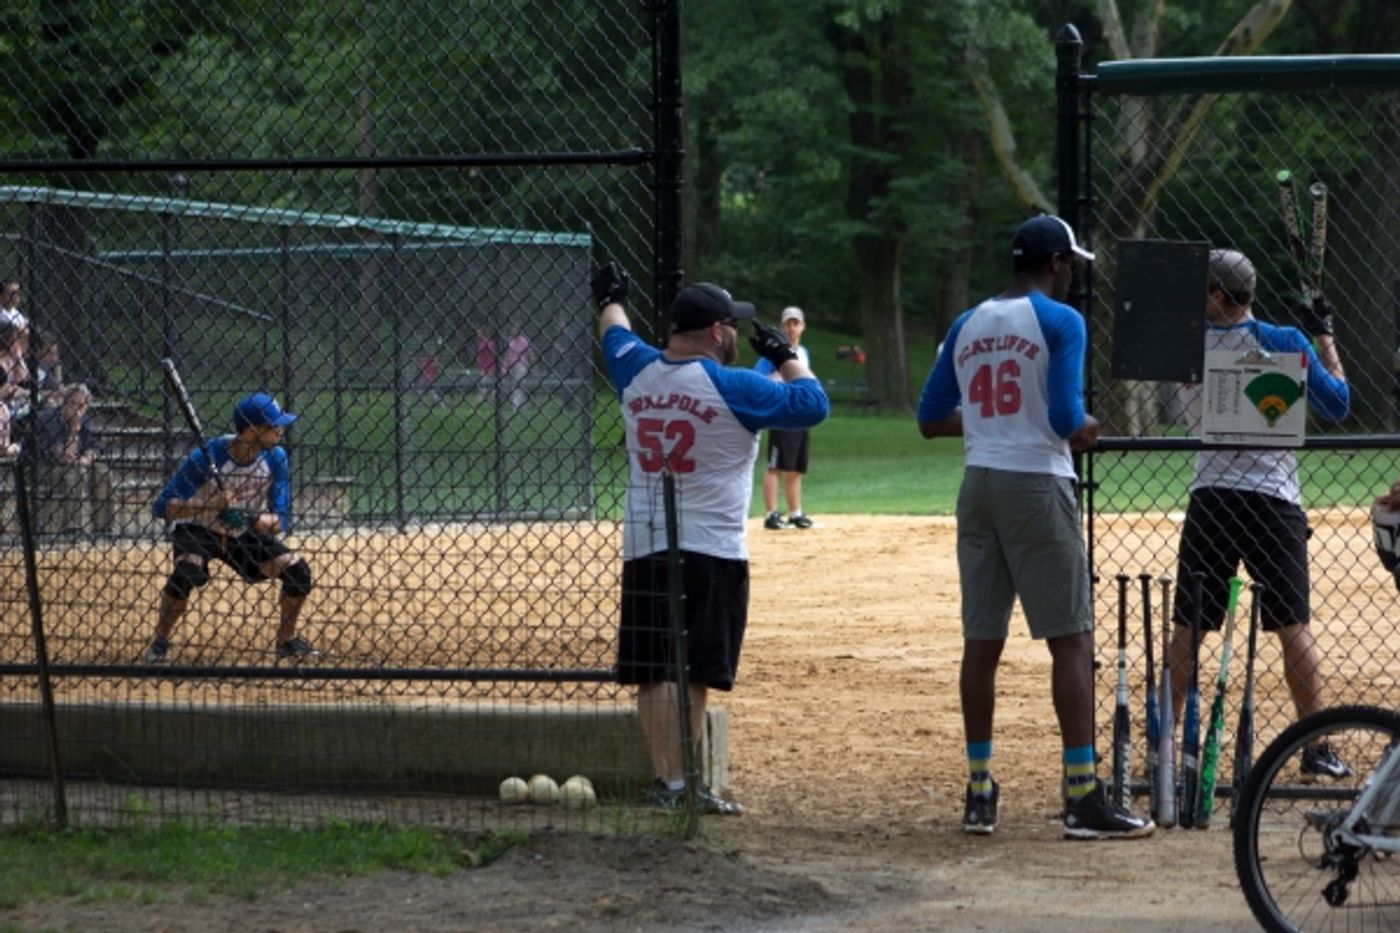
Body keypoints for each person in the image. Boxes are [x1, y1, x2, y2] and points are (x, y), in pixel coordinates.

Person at [917, 214, 1154, 839]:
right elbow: (1066, 417)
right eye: (1070, 263)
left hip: (978, 484)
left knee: (982, 642)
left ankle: (979, 791)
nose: (1072, 274)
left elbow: (929, 416)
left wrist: (991, 425)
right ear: (1055, 263)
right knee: (1071, 639)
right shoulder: (1060, 319)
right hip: (1035, 484)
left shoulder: (968, 322)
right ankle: (1082, 796)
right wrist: (1087, 428)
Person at [593, 262, 829, 815]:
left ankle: (669, 783)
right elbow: (812, 403)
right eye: (732, 327)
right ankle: (687, 783)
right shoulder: (736, 386)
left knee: (652, 670)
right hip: (711, 548)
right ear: (718, 332)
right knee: (694, 669)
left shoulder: (636, 368)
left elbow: (614, 331)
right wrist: (786, 356)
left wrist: (608, 298)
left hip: (645, 542)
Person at [1168, 248, 1351, 778]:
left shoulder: (1184, 346)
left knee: (1188, 627)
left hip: (1212, 498)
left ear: (1217, 295)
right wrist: (1324, 336)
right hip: (1273, 500)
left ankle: (1163, 742)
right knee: (1292, 624)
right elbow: (1338, 403)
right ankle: (1316, 746)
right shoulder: (1284, 340)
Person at [145, 392, 319, 663]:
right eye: (273, 425)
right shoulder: (207, 456)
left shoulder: (275, 457)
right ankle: (160, 641)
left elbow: (280, 518)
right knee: (186, 571)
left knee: (298, 572)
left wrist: (250, 519)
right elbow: (161, 507)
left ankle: (286, 641)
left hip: (241, 531)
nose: (280, 430)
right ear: (252, 430)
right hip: (198, 528)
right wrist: (209, 504)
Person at [757, 306, 815, 530]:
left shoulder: (803, 352)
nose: (791, 328)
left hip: (800, 414)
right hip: (782, 413)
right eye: (787, 324)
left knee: (795, 466)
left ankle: (795, 512)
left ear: (802, 327)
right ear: (781, 327)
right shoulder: (775, 353)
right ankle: (771, 514)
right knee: (776, 465)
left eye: (795, 323)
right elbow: (758, 376)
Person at [30, 384, 114, 532]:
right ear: (64, 402)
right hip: (46, 466)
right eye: (72, 403)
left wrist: (88, 456)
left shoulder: (84, 419)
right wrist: (74, 428)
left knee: (102, 471)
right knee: (75, 472)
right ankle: (73, 527)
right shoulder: (49, 419)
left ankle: (103, 527)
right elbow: (64, 456)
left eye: (80, 406)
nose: (76, 409)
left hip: (77, 463)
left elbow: (94, 444)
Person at [504, 331, 532, 411]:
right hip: (512, 367)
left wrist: (533, 366)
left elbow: (530, 353)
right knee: (516, 386)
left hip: (522, 366)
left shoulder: (524, 341)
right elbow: (507, 356)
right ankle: (522, 406)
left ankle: (515, 407)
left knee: (518, 386)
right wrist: (505, 366)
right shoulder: (511, 342)